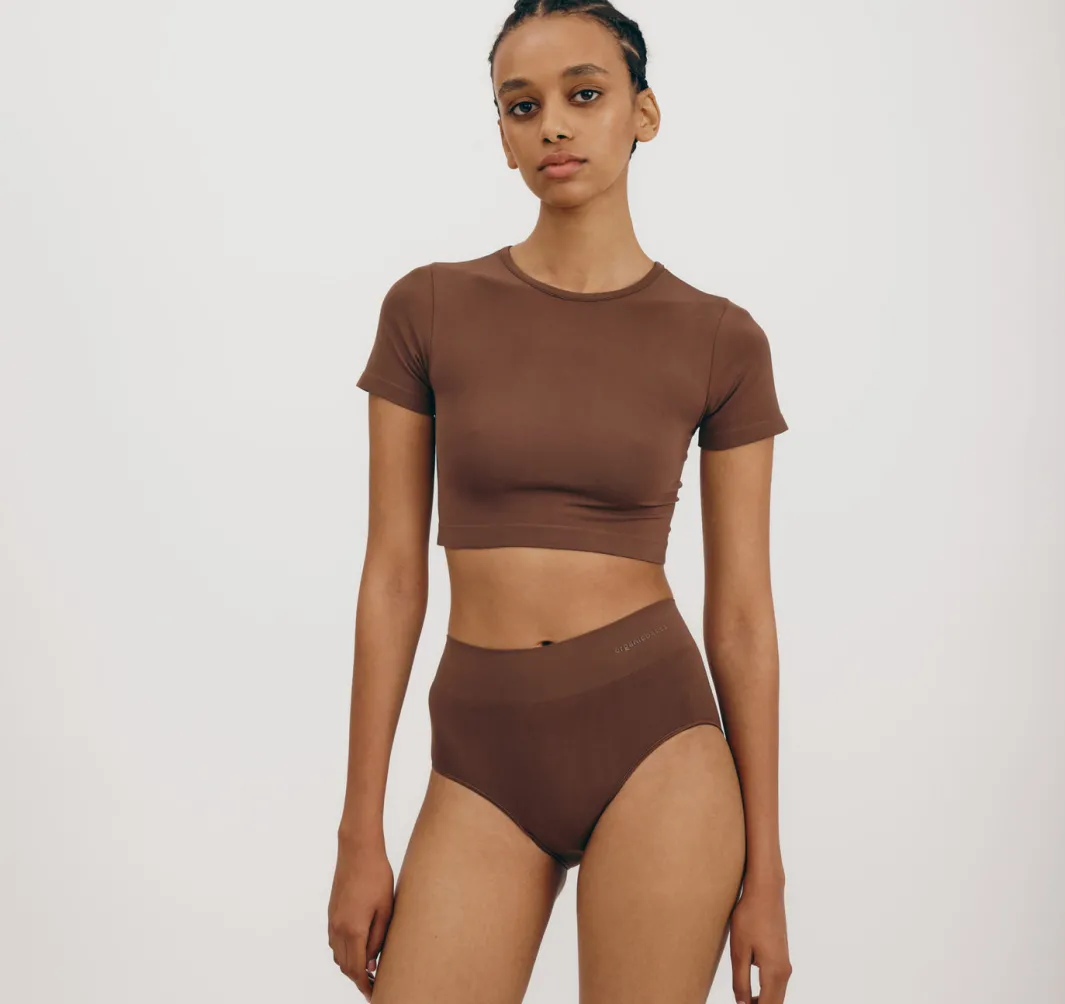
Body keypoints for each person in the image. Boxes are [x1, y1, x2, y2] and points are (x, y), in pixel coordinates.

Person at [328, 2, 794, 1001]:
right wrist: (359, 831)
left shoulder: (721, 339)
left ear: (643, 113)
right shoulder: (427, 309)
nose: (553, 125)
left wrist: (768, 875)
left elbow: (743, 615)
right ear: (502, 136)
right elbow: (393, 576)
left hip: (656, 741)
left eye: (585, 94)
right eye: (522, 105)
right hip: (480, 756)